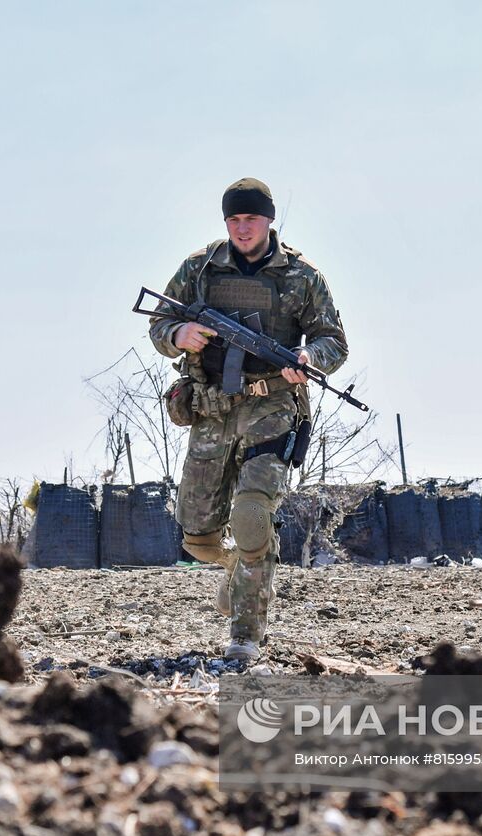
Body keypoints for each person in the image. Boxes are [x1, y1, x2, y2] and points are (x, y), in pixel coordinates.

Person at [149, 178, 349, 660]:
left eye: (251, 219)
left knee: (253, 514)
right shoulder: (199, 268)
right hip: (211, 410)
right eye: (234, 219)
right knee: (197, 538)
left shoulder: (302, 276)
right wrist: (181, 334)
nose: (242, 228)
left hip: (273, 409)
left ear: (268, 220)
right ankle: (239, 565)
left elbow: (334, 341)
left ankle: (245, 635)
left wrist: (308, 358)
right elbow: (159, 322)